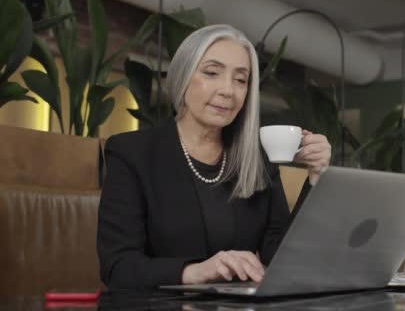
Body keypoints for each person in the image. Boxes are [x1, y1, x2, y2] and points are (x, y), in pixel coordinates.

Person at [97, 24, 332, 289]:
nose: (228, 90)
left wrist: (315, 179)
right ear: (183, 76)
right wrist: (195, 272)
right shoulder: (132, 153)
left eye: (240, 80)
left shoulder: (256, 157)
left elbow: (281, 257)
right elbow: (118, 266)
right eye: (212, 73)